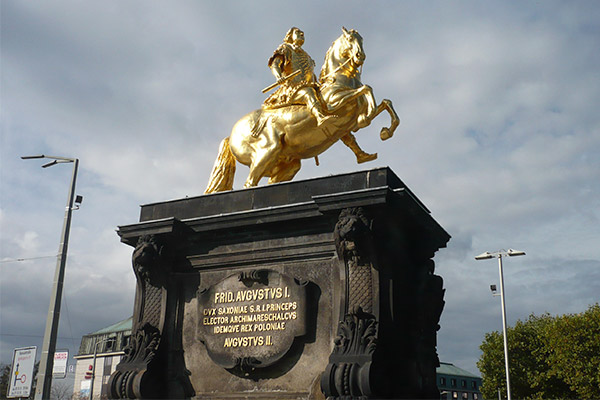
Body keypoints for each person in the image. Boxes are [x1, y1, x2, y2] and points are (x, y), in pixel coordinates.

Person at [264, 27, 333, 126]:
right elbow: (275, 64)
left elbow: (310, 73)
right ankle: (320, 117)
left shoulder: (306, 55)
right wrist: (279, 77)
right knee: (308, 93)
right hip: (292, 89)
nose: (301, 34)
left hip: (309, 85)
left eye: (302, 33)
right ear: (290, 36)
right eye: (298, 32)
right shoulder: (285, 48)